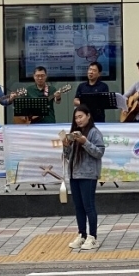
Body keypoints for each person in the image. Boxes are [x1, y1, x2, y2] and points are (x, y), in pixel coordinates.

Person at [62, 105, 106, 250]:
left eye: (81, 116)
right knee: (78, 206)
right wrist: (66, 146)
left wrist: (84, 142)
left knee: (89, 206)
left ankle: (93, 237)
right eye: (76, 118)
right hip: (74, 174)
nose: (78, 120)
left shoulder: (94, 132)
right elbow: (68, 156)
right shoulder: (74, 133)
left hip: (88, 174)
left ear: (88, 116)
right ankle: (82, 234)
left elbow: (99, 152)